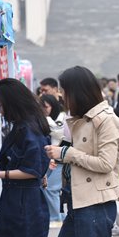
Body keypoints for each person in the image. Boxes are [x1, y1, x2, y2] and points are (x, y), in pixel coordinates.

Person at [45, 66, 119, 237]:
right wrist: (60, 156)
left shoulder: (105, 119)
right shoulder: (80, 117)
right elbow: (77, 149)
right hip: (76, 200)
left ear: (77, 91)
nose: (62, 96)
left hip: (95, 203)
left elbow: (106, 163)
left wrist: (66, 154)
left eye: (64, 91)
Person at [0, 78, 51, 237]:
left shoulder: (28, 130)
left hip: (24, 206)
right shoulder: (22, 127)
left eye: (0, 106)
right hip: (14, 204)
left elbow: (32, 170)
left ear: (12, 103)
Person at [40, 94, 67, 227]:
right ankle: (58, 216)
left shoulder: (62, 117)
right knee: (47, 187)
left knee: (52, 189)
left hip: (60, 158)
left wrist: (47, 119)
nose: (44, 110)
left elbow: (59, 133)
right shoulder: (47, 119)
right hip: (49, 159)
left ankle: (55, 218)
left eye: (46, 107)